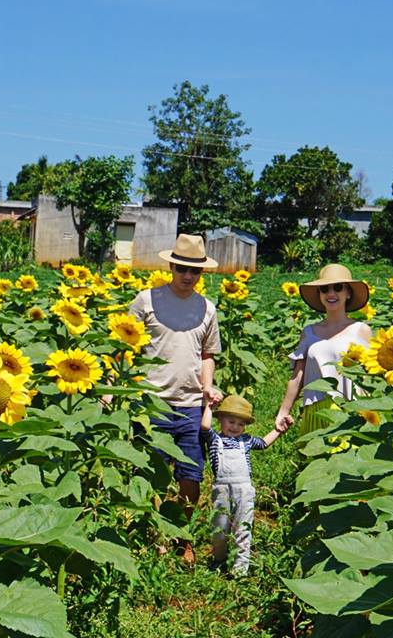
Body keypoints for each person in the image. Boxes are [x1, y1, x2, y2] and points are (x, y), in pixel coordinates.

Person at [129, 233, 223, 562]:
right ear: (171, 265)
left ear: (201, 274)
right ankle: (157, 536)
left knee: (191, 477)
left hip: (190, 405)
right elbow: (125, 345)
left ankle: (181, 537)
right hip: (152, 402)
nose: (188, 275)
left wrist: (208, 387)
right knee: (153, 474)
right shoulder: (147, 300)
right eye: (182, 268)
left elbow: (208, 353)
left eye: (194, 271)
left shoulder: (207, 309)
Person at [275, 264, 372, 434]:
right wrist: (284, 410)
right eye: (325, 289)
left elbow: (373, 373)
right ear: (319, 294)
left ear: (348, 293)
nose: (331, 293)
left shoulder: (361, 330)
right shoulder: (309, 332)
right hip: (317, 409)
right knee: (315, 457)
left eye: (338, 288)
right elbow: (298, 376)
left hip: (353, 408)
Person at [200, 394, 288, 576]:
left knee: (243, 527)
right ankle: (219, 560)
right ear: (221, 420)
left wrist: (279, 430)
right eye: (231, 421)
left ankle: (240, 568)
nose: (235, 427)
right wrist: (209, 407)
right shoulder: (215, 439)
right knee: (220, 528)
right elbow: (205, 426)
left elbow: (263, 443)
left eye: (241, 424)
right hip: (222, 489)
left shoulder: (246, 441)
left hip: (244, 490)